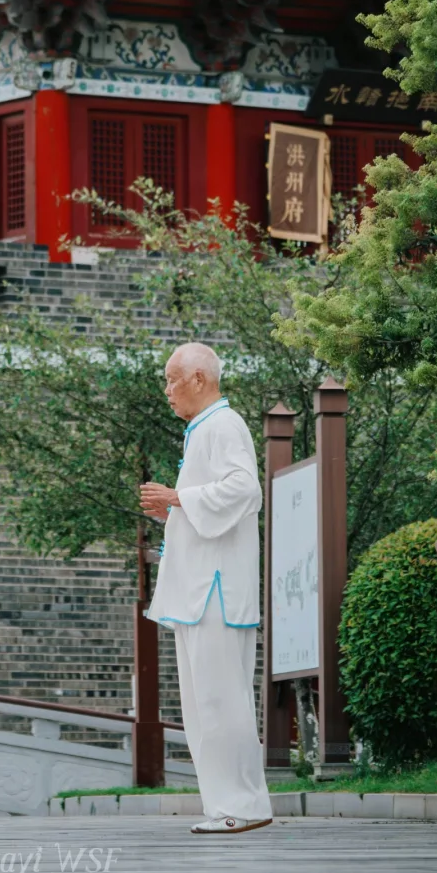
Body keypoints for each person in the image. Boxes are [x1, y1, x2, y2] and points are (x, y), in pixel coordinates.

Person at [139, 342, 273, 835]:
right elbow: (214, 506)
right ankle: (227, 806)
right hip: (203, 592)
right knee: (205, 706)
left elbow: (245, 490)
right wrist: (176, 507)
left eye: (172, 379)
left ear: (198, 378)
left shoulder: (222, 425)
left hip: (214, 592)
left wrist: (179, 497)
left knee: (220, 702)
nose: (167, 390)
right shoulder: (206, 429)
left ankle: (242, 805)